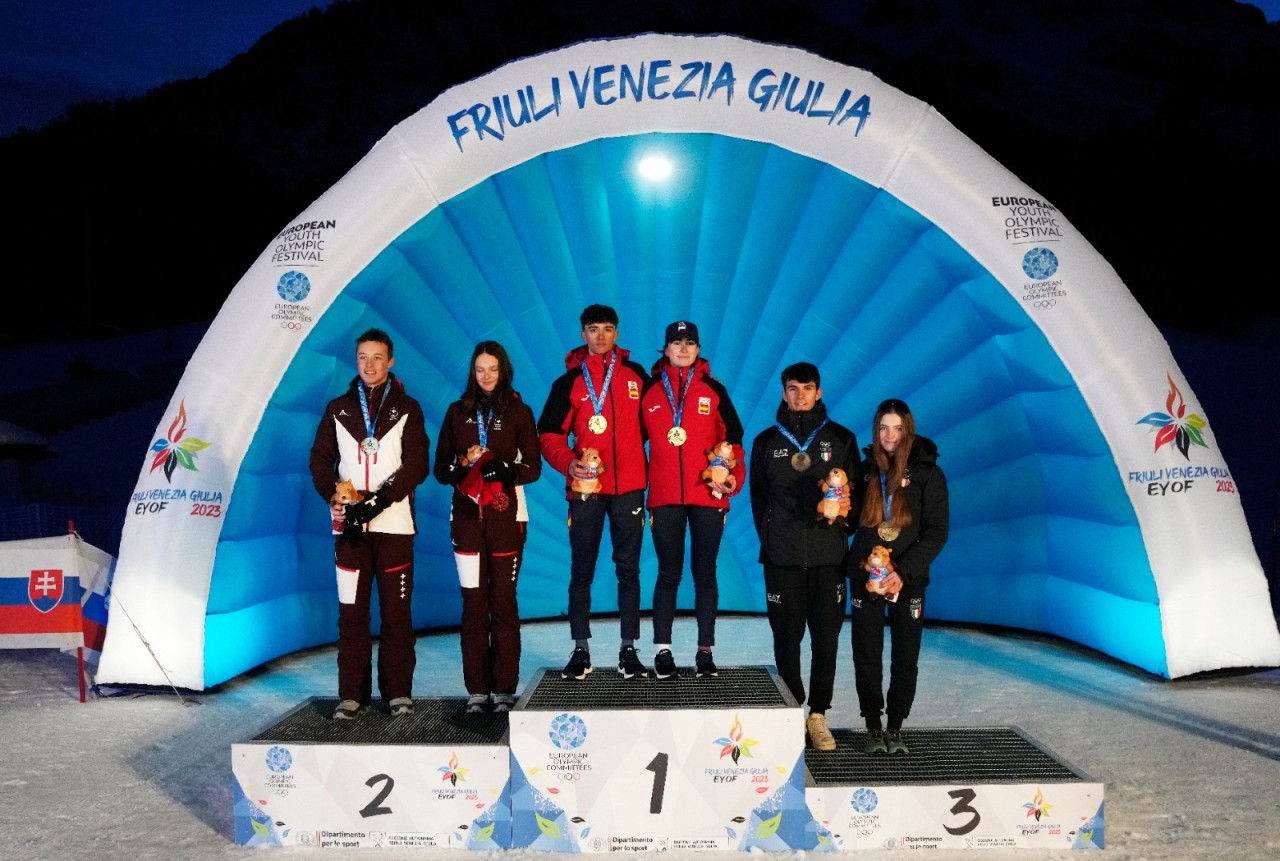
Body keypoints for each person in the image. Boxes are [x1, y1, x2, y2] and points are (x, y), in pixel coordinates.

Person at [308, 328, 430, 720]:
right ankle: (352, 696)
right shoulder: (338, 409)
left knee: (396, 616)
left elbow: (417, 465)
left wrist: (376, 502)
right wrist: (334, 494)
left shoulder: (407, 407)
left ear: (390, 361)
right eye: (363, 357)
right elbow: (319, 461)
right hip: (350, 531)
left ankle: (398, 694)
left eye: (377, 357)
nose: (370, 365)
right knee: (352, 615)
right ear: (355, 361)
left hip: (394, 527)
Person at [538, 304, 651, 680]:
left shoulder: (637, 376)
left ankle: (628, 650)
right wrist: (569, 464)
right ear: (582, 334)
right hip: (586, 488)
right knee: (581, 571)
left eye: (607, 329)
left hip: (630, 489)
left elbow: (653, 425)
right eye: (592, 329)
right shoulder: (568, 382)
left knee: (629, 570)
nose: (600, 336)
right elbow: (550, 434)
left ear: (617, 333)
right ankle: (580, 650)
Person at [749, 362, 858, 751]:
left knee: (825, 641)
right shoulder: (765, 442)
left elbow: (855, 500)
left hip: (828, 560)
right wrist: (774, 538)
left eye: (806, 388)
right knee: (787, 640)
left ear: (819, 392)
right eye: (792, 389)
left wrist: (843, 519)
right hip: (782, 560)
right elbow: (758, 499)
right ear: (783, 393)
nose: (799, 396)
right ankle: (792, 712)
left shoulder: (841, 439)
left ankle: (818, 715)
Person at [434, 341, 542, 713]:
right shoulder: (456, 412)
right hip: (465, 521)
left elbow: (534, 467)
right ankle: (477, 691)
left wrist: (507, 471)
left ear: (504, 370)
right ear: (472, 373)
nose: (486, 376)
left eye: (492, 369)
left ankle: (504, 691)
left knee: (504, 604)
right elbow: (439, 468)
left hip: (507, 520)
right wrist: (463, 470)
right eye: (480, 370)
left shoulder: (519, 412)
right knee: (473, 606)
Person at [641, 321, 746, 679]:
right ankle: (663, 650)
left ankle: (705, 651)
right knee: (667, 572)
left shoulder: (715, 391)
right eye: (676, 343)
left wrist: (733, 478)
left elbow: (733, 442)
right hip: (665, 496)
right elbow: (626, 441)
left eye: (690, 343)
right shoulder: (650, 391)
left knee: (705, 572)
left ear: (698, 349)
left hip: (708, 495)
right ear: (665, 349)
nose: (683, 349)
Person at [848, 398, 949, 755]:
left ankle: (895, 727)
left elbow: (937, 532)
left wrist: (904, 573)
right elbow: (850, 523)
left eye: (897, 428)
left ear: (908, 430)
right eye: (883, 428)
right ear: (876, 431)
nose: (890, 435)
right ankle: (873, 726)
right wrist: (835, 506)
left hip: (908, 580)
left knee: (906, 656)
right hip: (868, 579)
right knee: (867, 653)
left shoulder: (928, 473)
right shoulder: (863, 471)